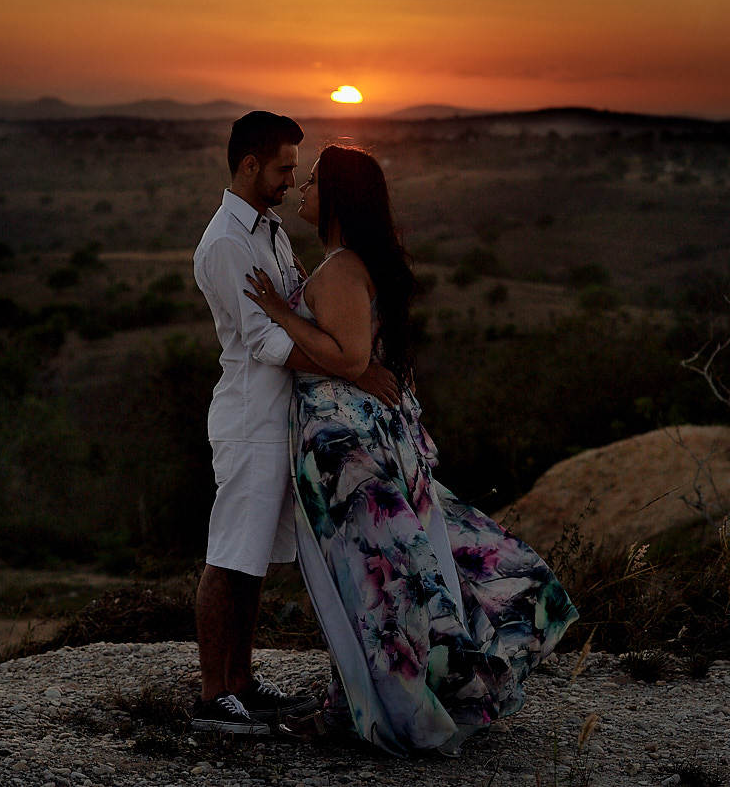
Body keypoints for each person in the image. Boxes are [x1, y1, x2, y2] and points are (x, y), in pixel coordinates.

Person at [244, 145, 579, 756]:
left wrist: (276, 313)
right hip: (350, 441)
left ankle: (381, 709)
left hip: (345, 452)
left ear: (339, 196)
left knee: (367, 583)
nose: (302, 189)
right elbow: (363, 358)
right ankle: (366, 702)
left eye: (314, 180)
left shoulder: (342, 268)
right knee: (385, 578)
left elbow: (347, 358)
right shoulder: (352, 263)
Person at [191, 114, 398, 735]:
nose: (291, 180)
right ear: (249, 165)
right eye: (284, 168)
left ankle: (241, 683)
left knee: (253, 562)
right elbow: (264, 342)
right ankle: (211, 697)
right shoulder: (229, 242)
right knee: (229, 557)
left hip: (281, 418)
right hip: (251, 416)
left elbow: (293, 318)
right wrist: (354, 369)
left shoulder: (270, 231)